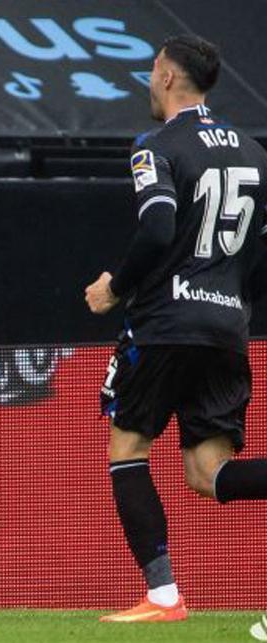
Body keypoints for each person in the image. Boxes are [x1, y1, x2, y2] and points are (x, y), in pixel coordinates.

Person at [85, 34, 267, 623]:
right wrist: (234, 303)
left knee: (127, 447)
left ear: (165, 75)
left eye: (150, 70)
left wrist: (116, 287)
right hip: (226, 326)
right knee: (207, 474)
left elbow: (158, 226)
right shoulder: (256, 154)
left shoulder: (156, 146)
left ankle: (163, 596)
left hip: (166, 322)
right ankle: (162, 597)